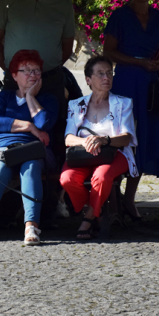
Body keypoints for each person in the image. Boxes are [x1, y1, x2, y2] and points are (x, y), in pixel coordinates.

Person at [102, 0, 159, 218]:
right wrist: (138, 62)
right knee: (124, 134)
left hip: (152, 85)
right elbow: (108, 52)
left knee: (144, 137)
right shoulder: (119, 16)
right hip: (127, 83)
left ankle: (129, 198)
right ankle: (113, 194)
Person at [0, 50, 58, 246]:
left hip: (35, 149)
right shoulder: (4, 97)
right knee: (0, 169)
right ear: (14, 75)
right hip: (6, 148)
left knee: (31, 167)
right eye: (26, 70)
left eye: (36, 71)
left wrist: (30, 97)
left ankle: (31, 226)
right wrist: (29, 126)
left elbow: (44, 123)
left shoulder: (48, 99)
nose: (32, 75)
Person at [0, 0, 76, 126]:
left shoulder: (63, 4)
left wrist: (49, 68)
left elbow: (67, 46)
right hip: (16, 80)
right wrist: (8, 68)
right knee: (12, 125)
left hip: (50, 80)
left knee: (54, 129)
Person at [60, 56, 137, 239]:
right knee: (67, 179)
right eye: (101, 73)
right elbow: (68, 138)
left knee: (101, 177)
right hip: (83, 154)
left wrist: (104, 140)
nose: (106, 78)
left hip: (113, 153)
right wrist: (86, 142)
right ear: (88, 80)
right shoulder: (76, 105)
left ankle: (87, 219)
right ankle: (98, 212)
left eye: (109, 73)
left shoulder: (123, 103)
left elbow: (127, 137)